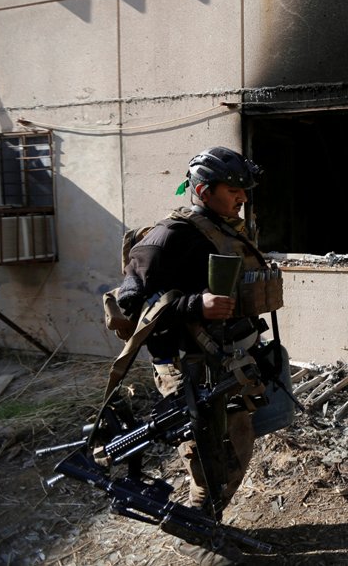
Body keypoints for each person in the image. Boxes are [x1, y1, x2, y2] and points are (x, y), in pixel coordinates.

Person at [117, 147, 284, 566]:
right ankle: (193, 534)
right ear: (205, 191)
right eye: (234, 190)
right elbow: (130, 304)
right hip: (187, 364)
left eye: (245, 190)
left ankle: (204, 520)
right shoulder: (169, 236)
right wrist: (196, 306)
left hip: (226, 360)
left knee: (235, 446)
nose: (242, 198)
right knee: (208, 454)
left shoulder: (223, 227)